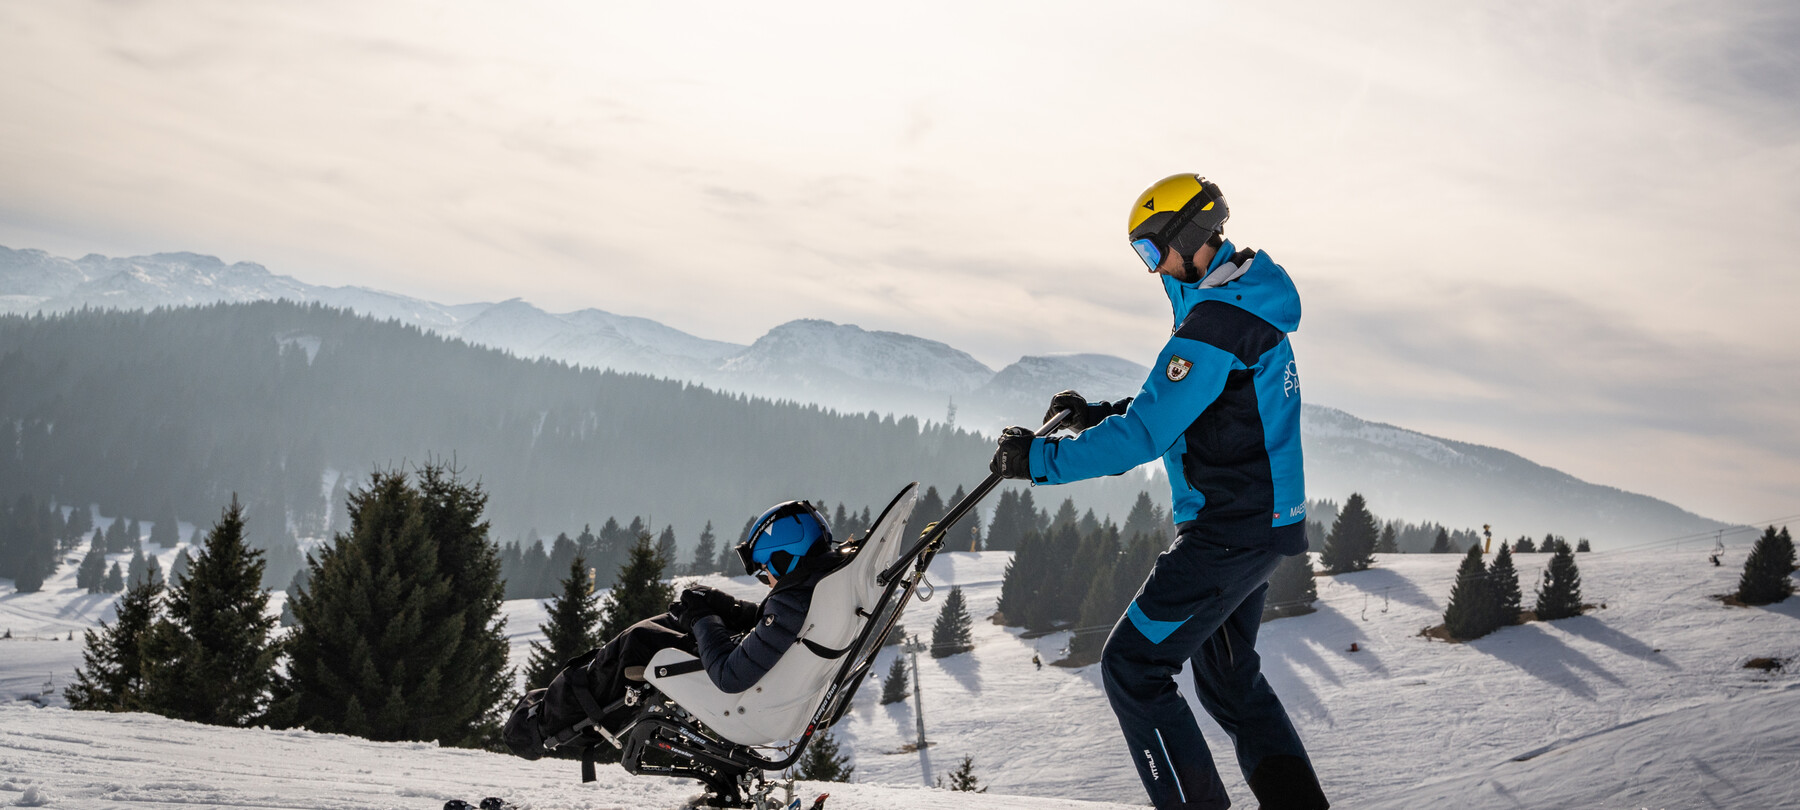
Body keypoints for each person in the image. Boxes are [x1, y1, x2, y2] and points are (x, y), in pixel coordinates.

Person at [989, 174, 1328, 810]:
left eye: (1153, 252)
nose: (1151, 270)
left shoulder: (1218, 321)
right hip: (1259, 527)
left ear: (1192, 238)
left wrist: (1038, 460)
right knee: (1228, 679)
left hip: (1229, 532)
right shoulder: (1243, 303)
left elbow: (1147, 433)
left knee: (1133, 669)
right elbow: (1190, 408)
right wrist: (1097, 414)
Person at [503, 500, 841, 760]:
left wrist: (702, 620)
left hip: (750, 699)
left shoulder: (794, 599)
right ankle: (549, 710)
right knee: (656, 630)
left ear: (787, 556)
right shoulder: (815, 584)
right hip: (775, 686)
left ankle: (541, 725)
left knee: (637, 643)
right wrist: (725, 608)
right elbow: (774, 627)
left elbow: (730, 675)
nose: (766, 579)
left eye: (765, 569)